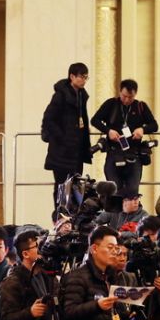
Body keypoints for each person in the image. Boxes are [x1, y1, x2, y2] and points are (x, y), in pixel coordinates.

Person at [41, 62, 93, 214]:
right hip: (61, 150)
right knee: (62, 186)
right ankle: (60, 216)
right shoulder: (60, 95)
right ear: (72, 76)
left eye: (86, 77)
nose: (84, 80)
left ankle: (73, 217)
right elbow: (49, 119)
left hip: (77, 150)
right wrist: (63, 138)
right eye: (81, 77)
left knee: (76, 184)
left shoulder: (81, 95)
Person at [90, 78, 159, 193]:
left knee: (132, 190)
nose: (127, 100)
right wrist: (108, 131)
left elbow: (154, 126)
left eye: (130, 97)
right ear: (119, 92)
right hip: (114, 153)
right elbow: (94, 120)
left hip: (134, 155)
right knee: (114, 191)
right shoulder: (111, 104)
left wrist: (143, 129)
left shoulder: (140, 106)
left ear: (135, 94)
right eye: (124, 96)